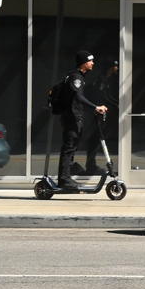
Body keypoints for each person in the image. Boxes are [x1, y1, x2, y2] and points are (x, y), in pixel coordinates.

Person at [58, 51, 108, 190]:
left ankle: (67, 175)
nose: (93, 63)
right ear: (83, 63)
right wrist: (95, 107)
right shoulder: (76, 77)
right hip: (71, 118)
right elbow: (78, 97)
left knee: (72, 147)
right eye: (90, 61)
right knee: (69, 148)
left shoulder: (78, 76)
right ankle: (64, 180)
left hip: (74, 117)